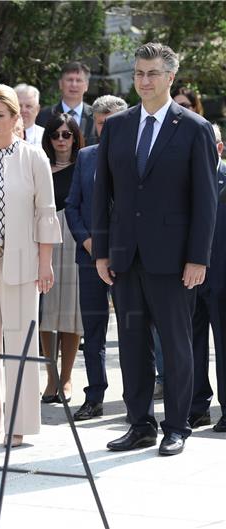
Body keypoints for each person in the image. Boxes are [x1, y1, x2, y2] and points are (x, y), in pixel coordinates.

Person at [92, 43, 218, 456]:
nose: (143, 81)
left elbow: (205, 201)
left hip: (175, 260)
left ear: (170, 78)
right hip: (126, 258)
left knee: (178, 345)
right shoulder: (117, 126)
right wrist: (102, 253)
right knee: (130, 343)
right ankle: (140, 424)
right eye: (139, 73)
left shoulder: (195, 128)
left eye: (152, 74)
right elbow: (102, 195)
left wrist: (198, 257)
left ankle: (177, 425)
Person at [0, 84, 61, 447]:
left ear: (15, 118)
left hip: (23, 259)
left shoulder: (34, 157)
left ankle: (19, 423)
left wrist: (45, 263)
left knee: (22, 341)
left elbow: (46, 212)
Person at [65, 94, 128, 421]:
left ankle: (134, 398)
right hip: (90, 258)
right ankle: (94, 396)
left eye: (111, 122)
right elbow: (72, 205)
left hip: (128, 259)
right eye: (101, 123)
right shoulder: (86, 157)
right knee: (93, 332)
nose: (105, 128)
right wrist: (88, 242)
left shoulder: (134, 155)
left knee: (133, 330)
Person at [38, 113, 85, 404]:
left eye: (67, 134)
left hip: (73, 237)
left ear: (75, 137)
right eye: (56, 134)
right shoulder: (39, 165)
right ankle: (51, 378)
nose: (61, 140)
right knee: (46, 314)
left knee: (70, 312)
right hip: (43, 239)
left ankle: (66, 377)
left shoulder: (85, 165)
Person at [189, 123, 226, 432]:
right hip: (189, 277)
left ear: (218, 147)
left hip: (223, 278)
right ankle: (198, 407)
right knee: (192, 345)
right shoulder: (183, 179)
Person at [36, 61, 97, 146]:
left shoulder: (96, 117)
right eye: (69, 80)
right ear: (60, 84)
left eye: (78, 80)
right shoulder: (44, 115)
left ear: (86, 85)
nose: (74, 84)